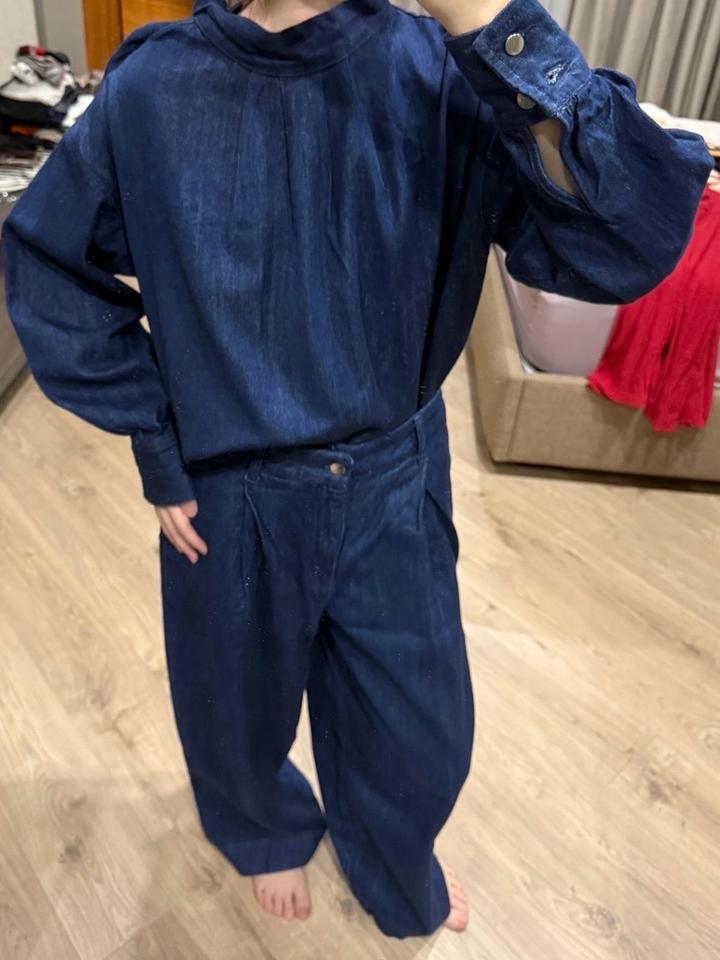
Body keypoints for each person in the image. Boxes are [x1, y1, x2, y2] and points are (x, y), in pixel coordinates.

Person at [1, 0, 712, 940]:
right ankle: (265, 831)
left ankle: (391, 856)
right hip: (228, 487)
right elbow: (48, 268)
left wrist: (492, 25)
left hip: (394, 474)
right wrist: (158, 442)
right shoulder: (153, 87)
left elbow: (627, 238)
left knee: (420, 727)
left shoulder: (441, 70)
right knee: (232, 709)